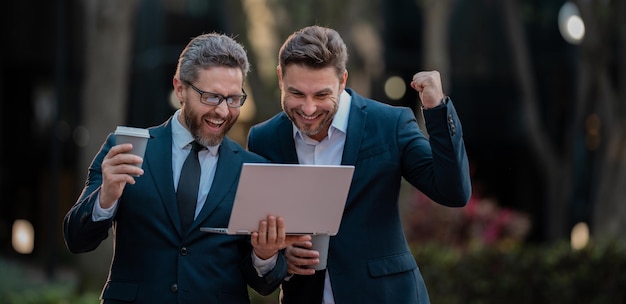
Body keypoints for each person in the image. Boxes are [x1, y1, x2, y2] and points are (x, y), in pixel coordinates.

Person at [63, 33, 308, 303]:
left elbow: (263, 285)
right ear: (180, 89)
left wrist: (264, 255)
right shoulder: (128, 149)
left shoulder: (255, 168)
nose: (224, 112)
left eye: (233, 99)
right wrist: (106, 197)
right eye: (212, 97)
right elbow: (77, 239)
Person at [247, 25, 472, 304]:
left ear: (343, 81)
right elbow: (259, 258)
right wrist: (279, 257)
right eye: (297, 94)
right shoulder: (263, 139)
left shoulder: (390, 124)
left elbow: (453, 191)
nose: (307, 109)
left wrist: (437, 110)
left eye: (320, 95)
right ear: (280, 78)